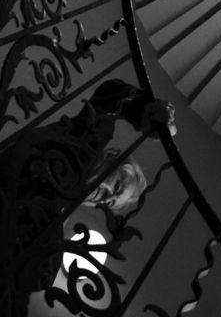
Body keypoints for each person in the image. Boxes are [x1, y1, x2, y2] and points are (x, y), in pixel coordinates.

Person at [0, 79, 176, 317]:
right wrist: (143, 110)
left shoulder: (56, 221)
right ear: (110, 157)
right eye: (117, 184)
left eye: (110, 200)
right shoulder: (76, 150)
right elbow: (107, 97)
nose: (105, 194)